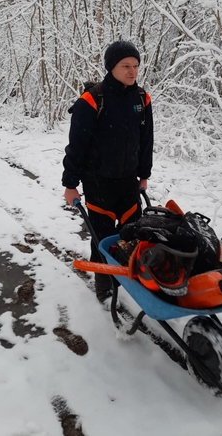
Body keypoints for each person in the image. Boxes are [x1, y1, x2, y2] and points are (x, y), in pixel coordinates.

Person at [62, 40, 154, 304]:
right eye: (125, 65)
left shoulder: (141, 98)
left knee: (131, 236)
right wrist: (70, 184)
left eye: (135, 65)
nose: (132, 71)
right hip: (98, 183)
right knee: (102, 238)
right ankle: (104, 282)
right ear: (111, 67)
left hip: (128, 182)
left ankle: (126, 279)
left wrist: (144, 175)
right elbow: (76, 146)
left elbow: (146, 141)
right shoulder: (92, 100)